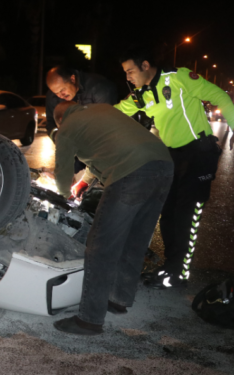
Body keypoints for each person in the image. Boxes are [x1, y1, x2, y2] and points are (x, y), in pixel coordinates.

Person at [116, 47, 234, 289]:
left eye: (130, 71)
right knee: (167, 213)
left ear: (145, 65)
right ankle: (170, 265)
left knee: (187, 214)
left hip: (199, 153)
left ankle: (179, 274)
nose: (128, 77)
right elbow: (118, 112)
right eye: (125, 73)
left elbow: (219, 95)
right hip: (173, 157)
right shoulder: (141, 94)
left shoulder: (178, 78)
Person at [51, 101, 173, 335]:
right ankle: (119, 299)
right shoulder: (102, 110)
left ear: (59, 119)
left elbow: (62, 170)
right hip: (163, 165)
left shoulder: (66, 127)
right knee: (135, 241)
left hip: (130, 172)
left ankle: (89, 319)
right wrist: (84, 182)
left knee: (100, 247)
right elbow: (105, 149)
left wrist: (64, 196)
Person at [45, 66, 118, 187]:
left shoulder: (99, 88)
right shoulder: (53, 96)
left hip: (101, 146)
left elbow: (106, 124)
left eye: (62, 90)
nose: (60, 96)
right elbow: (50, 122)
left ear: (73, 79)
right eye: (56, 93)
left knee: (98, 183)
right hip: (73, 150)